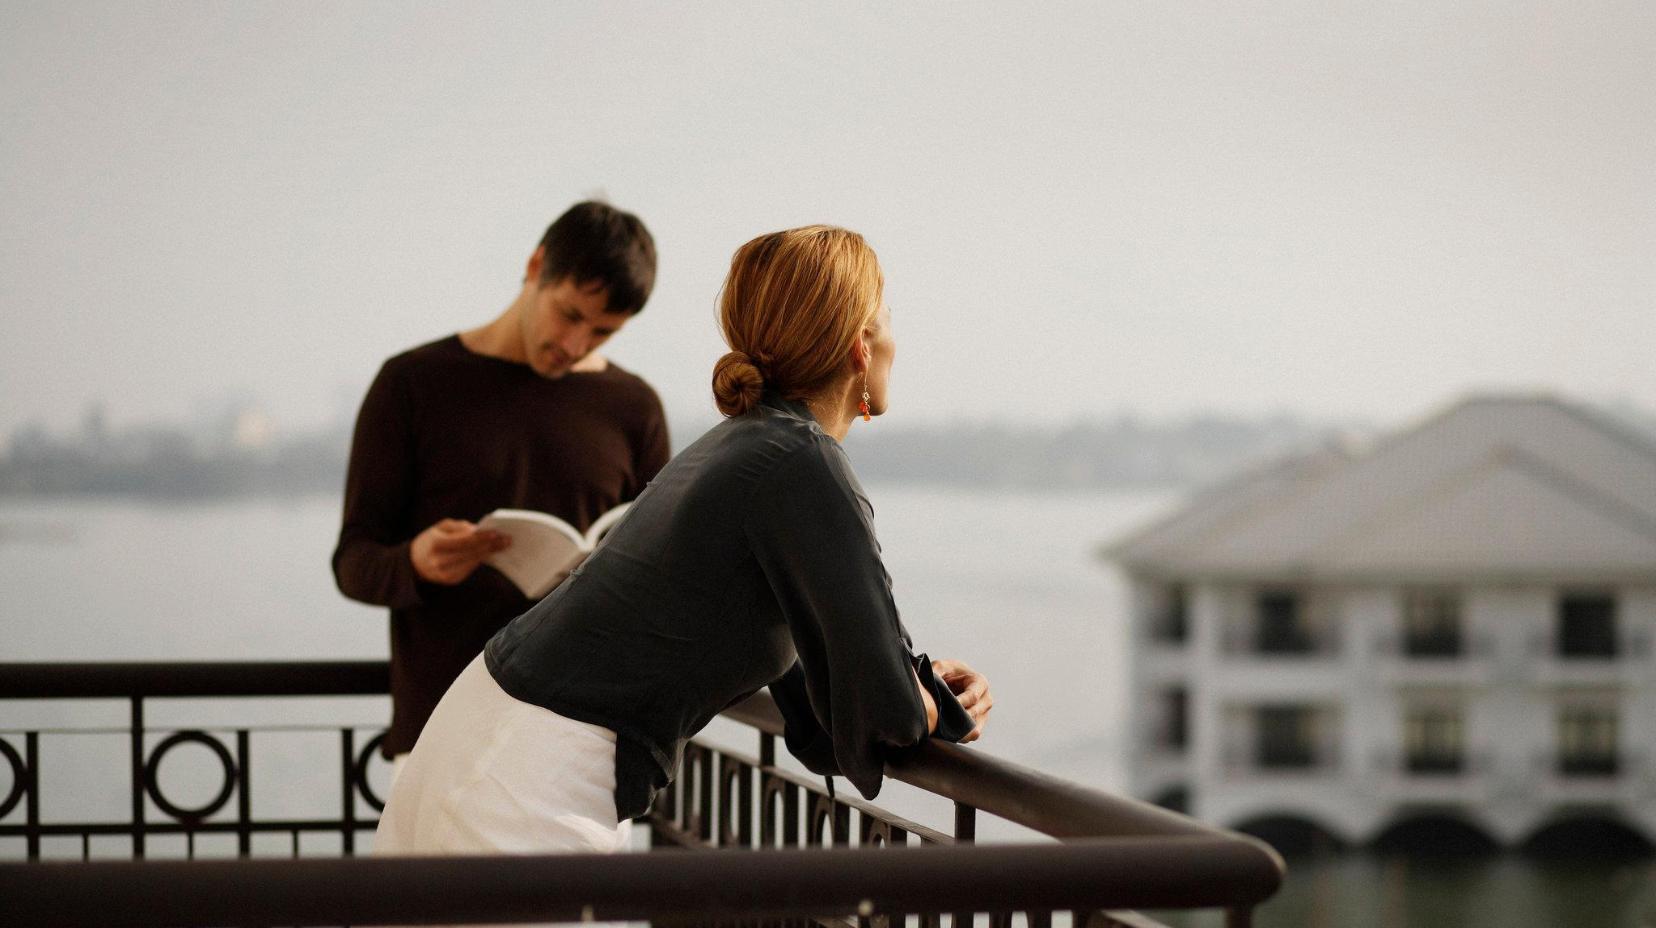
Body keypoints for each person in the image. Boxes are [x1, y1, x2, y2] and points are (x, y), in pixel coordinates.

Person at [373, 225, 994, 860]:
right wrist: (933, 698)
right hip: (528, 779)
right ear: (861, 344)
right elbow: (887, 714)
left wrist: (913, 679)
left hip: (482, 742)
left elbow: (818, 719)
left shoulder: (743, 446)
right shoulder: (799, 461)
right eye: (888, 319)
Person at [332, 201, 669, 772]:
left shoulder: (634, 408)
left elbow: (666, 573)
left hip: (583, 742)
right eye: (569, 315)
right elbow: (353, 561)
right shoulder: (411, 385)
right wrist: (415, 562)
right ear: (536, 265)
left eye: (604, 331)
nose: (576, 343)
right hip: (440, 736)